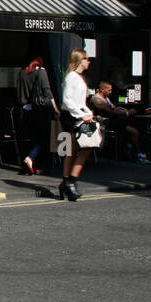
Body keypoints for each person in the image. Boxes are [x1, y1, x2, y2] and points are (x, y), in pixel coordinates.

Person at [58, 49, 95, 202]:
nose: (89, 61)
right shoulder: (71, 77)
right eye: (87, 59)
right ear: (80, 60)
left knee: (87, 148)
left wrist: (89, 112)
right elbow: (67, 101)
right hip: (70, 117)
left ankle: (69, 181)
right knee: (72, 150)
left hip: (79, 115)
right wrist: (82, 115)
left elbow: (81, 102)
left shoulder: (80, 78)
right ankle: (68, 182)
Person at [16, 57, 59, 175]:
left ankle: (31, 163)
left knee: (33, 138)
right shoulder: (41, 71)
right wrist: (55, 108)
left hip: (26, 110)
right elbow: (47, 91)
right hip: (39, 110)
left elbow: (19, 93)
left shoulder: (21, 73)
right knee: (45, 138)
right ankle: (32, 159)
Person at [89, 79, 143, 161]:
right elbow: (109, 111)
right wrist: (127, 113)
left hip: (113, 121)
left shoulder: (106, 98)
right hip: (105, 123)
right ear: (102, 89)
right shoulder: (96, 99)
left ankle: (130, 146)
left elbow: (115, 108)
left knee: (135, 123)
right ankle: (138, 152)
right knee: (133, 131)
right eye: (109, 90)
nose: (110, 92)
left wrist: (126, 112)